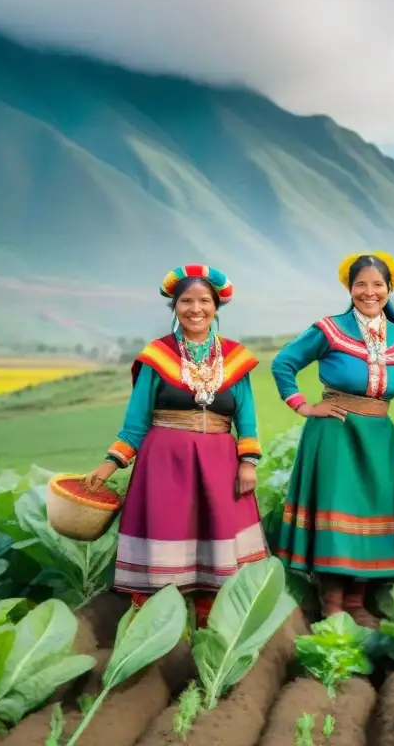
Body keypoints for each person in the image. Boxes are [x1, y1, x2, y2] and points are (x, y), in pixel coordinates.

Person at [271, 251, 394, 628]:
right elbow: (283, 363)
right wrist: (305, 406)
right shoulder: (329, 329)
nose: (369, 292)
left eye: (377, 285)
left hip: (378, 439)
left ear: (390, 289)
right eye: (361, 285)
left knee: (372, 515)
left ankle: (357, 600)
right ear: (349, 288)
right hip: (336, 433)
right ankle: (332, 602)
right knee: (338, 515)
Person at [83, 265, 268, 628]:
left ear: (216, 306)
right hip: (164, 462)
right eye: (186, 301)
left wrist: (248, 462)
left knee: (216, 536)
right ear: (174, 306)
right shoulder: (158, 356)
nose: (195, 309)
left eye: (203, 301)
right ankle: (155, 625)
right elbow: (136, 421)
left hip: (219, 462)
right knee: (167, 532)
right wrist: (109, 464)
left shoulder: (233, 357)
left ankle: (208, 621)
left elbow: (246, 414)